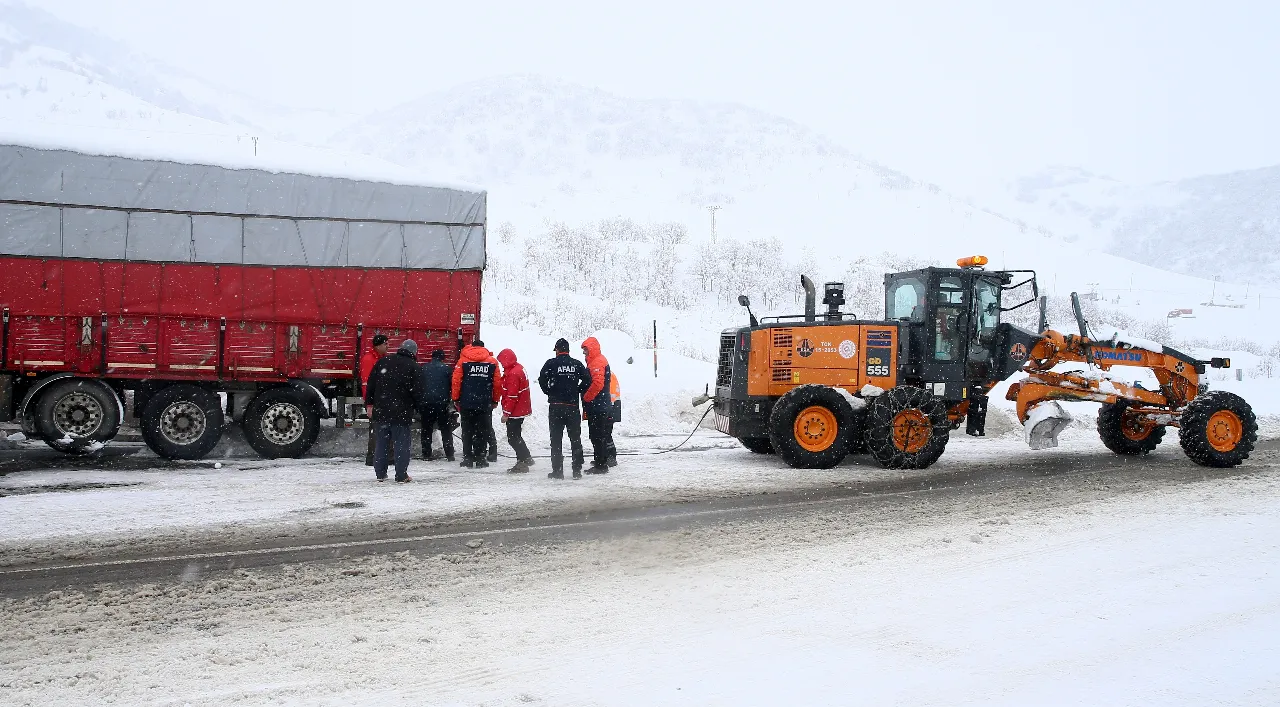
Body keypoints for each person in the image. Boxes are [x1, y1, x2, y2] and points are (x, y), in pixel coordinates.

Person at [364, 339, 422, 482]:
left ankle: (380, 474)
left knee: (381, 443)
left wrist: (370, 404)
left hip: (381, 410)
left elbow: (371, 384)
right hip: (401, 412)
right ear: (414, 352)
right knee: (401, 444)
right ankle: (401, 475)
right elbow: (418, 392)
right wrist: (418, 408)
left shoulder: (383, 362)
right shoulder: (414, 367)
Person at [538, 338, 590, 479]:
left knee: (556, 439)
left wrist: (549, 391)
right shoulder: (576, 364)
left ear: (558, 350)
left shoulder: (551, 363)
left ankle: (557, 471)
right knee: (575, 439)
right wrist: (577, 389)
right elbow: (588, 380)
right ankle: (577, 470)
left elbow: (542, 379)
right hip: (572, 407)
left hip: (556, 407)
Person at [451, 338, 502, 468]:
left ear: (471, 347)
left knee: (467, 431)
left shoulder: (462, 361)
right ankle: (480, 458)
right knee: (482, 430)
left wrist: (456, 398)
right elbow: (497, 383)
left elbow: (456, 381)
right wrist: (495, 400)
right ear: (484, 348)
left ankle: (468, 458)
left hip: (467, 403)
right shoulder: (492, 362)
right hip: (484, 403)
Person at [496, 348, 534, 473]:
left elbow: (512, 396)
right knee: (516, 436)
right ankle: (526, 458)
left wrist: (506, 414)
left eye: (502, 362)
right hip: (522, 408)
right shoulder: (519, 368)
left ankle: (522, 461)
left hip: (516, 411)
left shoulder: (513, 374)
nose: (501, 365)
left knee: (512, 437)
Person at [581, 336, 613, 474]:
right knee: (600, 434)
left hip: (598, 405)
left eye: (585, 350)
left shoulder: (596, 363)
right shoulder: (598, 360)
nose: (584, 353)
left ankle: (601, 465)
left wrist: (587, 397)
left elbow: (597, 384)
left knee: (596, 435)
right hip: (601, 404)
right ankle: (602, 458)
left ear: (592, 349)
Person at [418, 349, 455, 462]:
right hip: (442, 404)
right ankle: (449, 454)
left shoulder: (423, 368)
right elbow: (451, 386)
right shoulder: (447, 369)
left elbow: (419, 386)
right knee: (445, 430)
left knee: (426, 429)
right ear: (442, 358)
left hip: (426, 404)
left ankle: (426, 453)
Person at [360, 333, 389, 466]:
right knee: (375, 429)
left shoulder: (381, 358)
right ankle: (372, 456)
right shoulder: (369, 359)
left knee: (381, 428)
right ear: (378, 345)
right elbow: (367, 383)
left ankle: (379, 455)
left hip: (382, 398)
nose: (387, 346)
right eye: (385, 344)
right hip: (376, 399)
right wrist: (369, 403)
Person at [606, 370, 620, 467]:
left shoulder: (607, 374)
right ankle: (605, 456)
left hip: (610, 406)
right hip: (612, 405)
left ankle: (611, 457)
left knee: (606, 433)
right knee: (605, 433)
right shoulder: (610, 373)